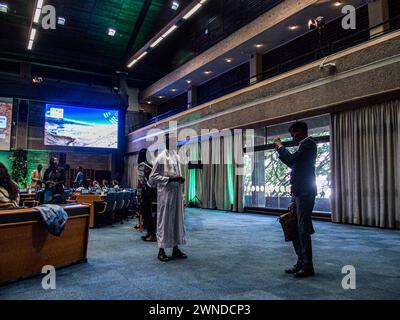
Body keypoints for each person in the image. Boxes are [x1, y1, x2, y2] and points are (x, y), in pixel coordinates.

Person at [274, 121, 317, 278]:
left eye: (294, 133)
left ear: (301, 132)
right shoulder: (303, 147)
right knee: (294, 227)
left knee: (303, 229)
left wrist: (280, 147)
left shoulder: (309, 144)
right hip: (299, 192)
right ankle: (301, 261)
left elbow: (292, 160)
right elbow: (294, 165)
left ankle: (308, 265)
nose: (292, 137)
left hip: (305, 193)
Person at [149, 133, 186, 262]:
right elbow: (152, 177)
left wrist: (180, 179)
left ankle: (175, 248)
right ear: (166, 142)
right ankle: (161, 250)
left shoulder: (176, 156)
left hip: (176, 194)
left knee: (177, 221)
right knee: (164, 222)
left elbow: (177, 174)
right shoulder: (160, 157)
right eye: (171, 141)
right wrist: (170, 179)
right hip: (165, 195)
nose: (173, 144)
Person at [137, 148, 157, 242]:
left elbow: (141, 181)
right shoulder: (151, 164)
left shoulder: (142, 165)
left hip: (145, 191)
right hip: (152, 190)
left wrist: (138, 193)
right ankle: (149, 233)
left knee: (146, 213)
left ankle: (152, 234)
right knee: (146, 212)